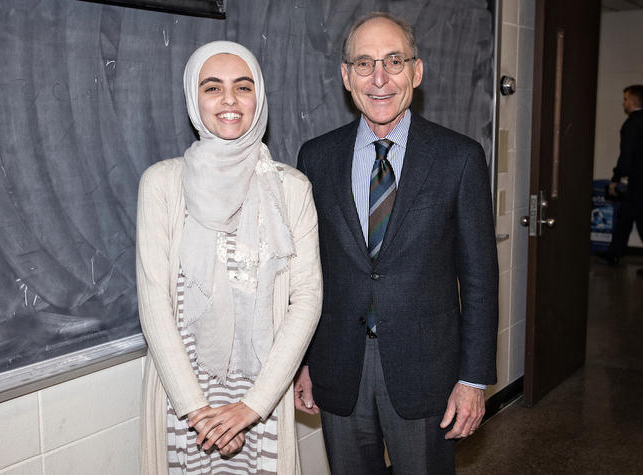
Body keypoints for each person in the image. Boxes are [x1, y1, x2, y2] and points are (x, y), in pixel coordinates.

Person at [294, 12, 498, 474]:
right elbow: (306, 270)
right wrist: (304, 361)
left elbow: (481, 278)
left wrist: (472, 379)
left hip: (427, 373)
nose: (380, 78)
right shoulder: (315, 157)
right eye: (364, 64)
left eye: (394, 61)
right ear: (346, 76)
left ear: (416, 71)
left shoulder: (459, 158)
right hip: (338, 367)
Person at [136, 41, 322, 474]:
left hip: (262, 396)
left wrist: (251, 407)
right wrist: (198, 411)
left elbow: (307, 298)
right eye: (212, 87)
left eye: (243, 86)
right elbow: (153, 302)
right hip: (181, 399)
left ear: (259, 97)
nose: (229, 100)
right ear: (192, 97)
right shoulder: (162, 184)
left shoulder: (292, 188)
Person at [601, 84, 643, 275]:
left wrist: (614, 178)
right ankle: (615, 253)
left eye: (625, 98)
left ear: (634, 100)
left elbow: (627, 155)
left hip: (639, 182)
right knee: (625, 216)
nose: (624, 102)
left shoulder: (632, 124)